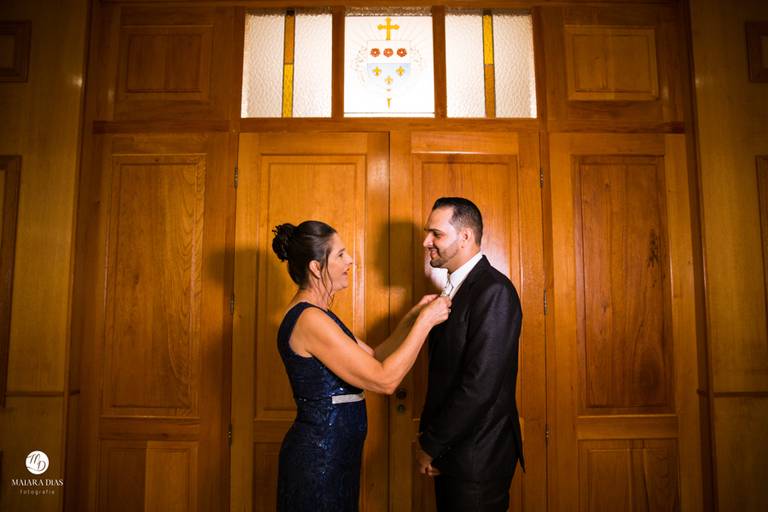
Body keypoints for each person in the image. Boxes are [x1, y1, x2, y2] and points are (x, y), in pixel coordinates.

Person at [271, 220, 451, 512]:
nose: (350, 260)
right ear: (317, 268)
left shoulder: (320, 314)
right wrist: (427, 322)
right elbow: (385, 380)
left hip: (336, 455)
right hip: (319, 459)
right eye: (341, 254)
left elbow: (375, 358)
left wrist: (413, 318)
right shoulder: (310, 320)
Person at [416, 197, 524, 512]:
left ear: (465, 237)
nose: (427, 242)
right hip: (453, 454)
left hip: (478, 459)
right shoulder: (453, 291)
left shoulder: (494, 291)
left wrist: (429, 445)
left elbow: (479, 386)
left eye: (436, 234)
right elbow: (444, 377)